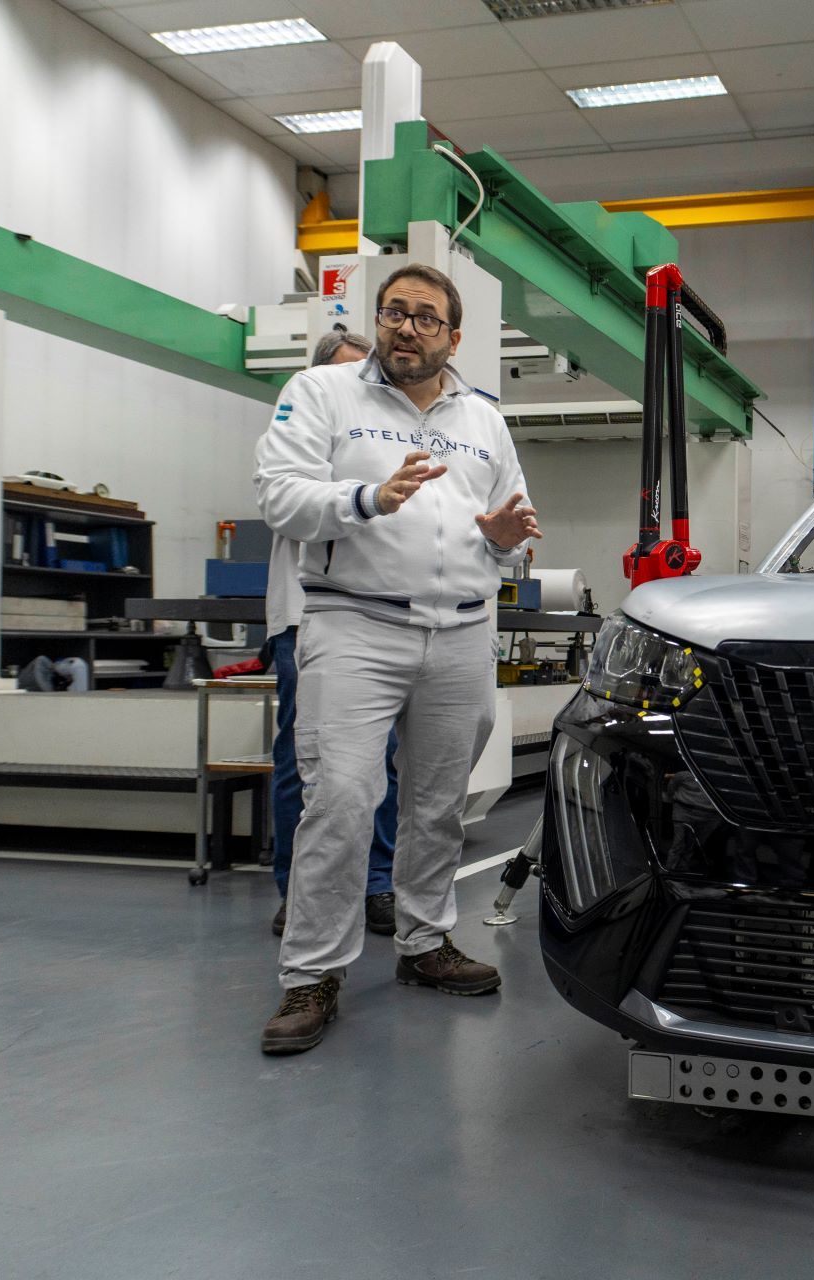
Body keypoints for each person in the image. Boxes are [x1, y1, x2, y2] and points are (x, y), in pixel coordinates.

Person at [252, 265, 540, 1055]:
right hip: (356, 624)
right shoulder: (322, 394)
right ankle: (312, 974)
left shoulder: (484, 420)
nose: (407, 327)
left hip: (462, 631)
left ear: (454, 336)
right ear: (378, 321)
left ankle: (423, 941)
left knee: (439, 803)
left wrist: (504, 542)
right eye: (394, 312)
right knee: (341, 799)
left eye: (425, 317)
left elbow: (509, 523)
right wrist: (368, 498)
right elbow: (278, 496)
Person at [262, 329, 402, 940]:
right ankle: (299, 890)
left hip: (375, 617)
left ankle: (376, 883)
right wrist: (366, 493)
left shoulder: (383, 435)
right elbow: (294, 505)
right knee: (306, 761)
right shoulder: (301, 429)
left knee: (381, 761)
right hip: (303, 617)